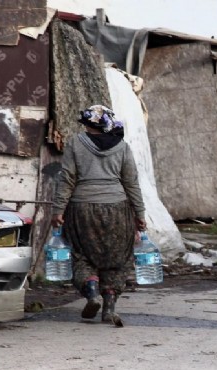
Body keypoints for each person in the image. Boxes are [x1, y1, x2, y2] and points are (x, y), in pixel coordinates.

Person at [51, 105, 146, 327]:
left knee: (82, 254)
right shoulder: (122, 147)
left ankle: (92, 293)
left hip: (82, 208)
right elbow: (131, 183)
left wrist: (58, 210)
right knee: (117, 258)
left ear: (88, 124)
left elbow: (66, 179)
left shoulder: (75, 143)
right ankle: (109, 310)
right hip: (117, 209)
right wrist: (140, 214)